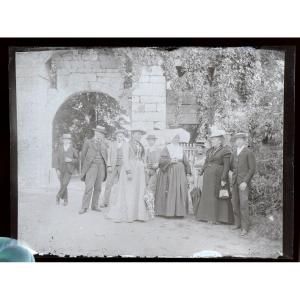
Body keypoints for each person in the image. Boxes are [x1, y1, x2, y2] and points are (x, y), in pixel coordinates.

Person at [107, 127, 150, 222]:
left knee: (138, 190)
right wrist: (128, 171)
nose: (139, 136)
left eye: (140, 134)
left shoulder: (141, 145)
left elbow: (142, 157)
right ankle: (129, 215)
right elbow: (125, 158)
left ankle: (137, 215)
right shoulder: (127, 144)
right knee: (129, 191)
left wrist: (145, 166)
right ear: (132, 134)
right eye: (137, 134)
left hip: (139, 170)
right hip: (130, 168)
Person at [195, 129, 234, 224]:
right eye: (211, 139)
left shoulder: (225, 151)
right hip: (208, 178)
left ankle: (220, 218)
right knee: (208, 196)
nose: (211, 141)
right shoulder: (209, 151)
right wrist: (202, 170)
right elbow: (206, 162)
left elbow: (226, 166)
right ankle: (208, 216)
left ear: (219, 140)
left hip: (218, 177)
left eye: (213, 139)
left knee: (218, 195)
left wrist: (224, 178)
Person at [155, 134, 192, 217]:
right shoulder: (167, 148)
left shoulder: (181, 148)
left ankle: (179, 212)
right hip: (170, 171)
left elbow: (185, 161)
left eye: (178, 138)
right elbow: (161, 160)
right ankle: (168, 212)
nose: (177, 139)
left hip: (180, 172)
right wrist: (170, 161)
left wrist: (188, 172)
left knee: (180, 189)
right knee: (170, 189)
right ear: (171, 139)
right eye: (175, 138)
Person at [230, 132, 256, 236]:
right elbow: (231, 167)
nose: (238, 141)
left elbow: (252, 169)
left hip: (243, 183)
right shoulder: (234, 152)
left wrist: (245, 181)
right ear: (235, 142)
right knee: (235, 203)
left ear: (244, 140)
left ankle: (245, 227)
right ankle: (237, 224)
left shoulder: (248, 152)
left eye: (241, 139)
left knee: (244, 204)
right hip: (235, 182)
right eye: (237, 139)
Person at [79, 125, 108, 214]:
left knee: (98, 187)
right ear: (95, 132)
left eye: (102, 133)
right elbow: (83, 156)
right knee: (89, 187)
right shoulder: (88, 142)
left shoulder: (104, 144)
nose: (101, 135)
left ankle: (94, 206)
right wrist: (86, 167)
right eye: (99, 133)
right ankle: (84, 207)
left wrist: (104, 165)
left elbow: (105, 155)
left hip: (101, 167)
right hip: (91, 166)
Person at [102, 129, 127, 207]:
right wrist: (109, 166)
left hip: (122, 167)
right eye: (118, 136)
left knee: (123, 184)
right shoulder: (112, 144)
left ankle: (123, 202)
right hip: (113, 167)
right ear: (116, 137)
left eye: (121, 136)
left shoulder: (127, 145)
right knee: (108, 184)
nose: (120, 137)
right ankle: (105, 202)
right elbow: (108, 156)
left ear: (123, 137)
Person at [56, 133, 78, 206]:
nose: (66, 141)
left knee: (65, 183)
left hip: (69, 170)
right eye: (64, 139)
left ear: (70, 141)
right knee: (62, 185)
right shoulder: (59, 148)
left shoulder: (73, 149)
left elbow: (77, 160)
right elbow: (57, 160)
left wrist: (71, 160)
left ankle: (58, 196)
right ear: (63, 140)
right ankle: (66, 200)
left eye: (67, 139)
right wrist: (57, 169)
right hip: (61, 169)